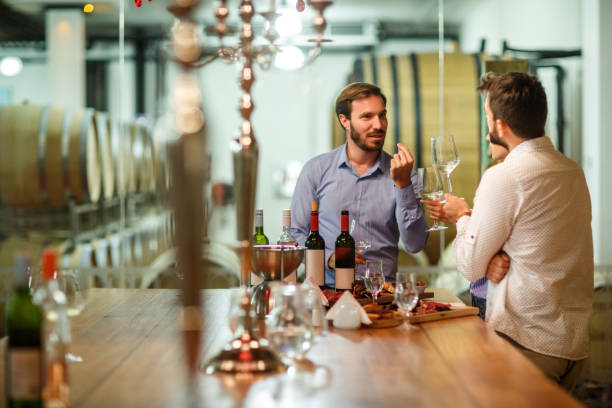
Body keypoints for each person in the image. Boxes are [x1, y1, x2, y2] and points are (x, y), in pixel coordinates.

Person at [426, 72, 593, 391]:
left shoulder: (504, 177)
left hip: (527, 343)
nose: (487, 129)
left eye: (488, 118)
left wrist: (461, 216)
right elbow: (537, 240)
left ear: (500, 126)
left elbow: (469, 267)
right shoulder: (572, 171)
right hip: (573, 346)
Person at [290, 82, 428, 284]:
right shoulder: (316, 170)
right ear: (344, 121)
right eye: (367, 117)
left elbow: (415, 244)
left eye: (382, 115)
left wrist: (403, 186)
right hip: (327, 292)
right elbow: (295, 236)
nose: (379, 125)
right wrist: (329, 258)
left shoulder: (405, 175)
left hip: (381, 297)